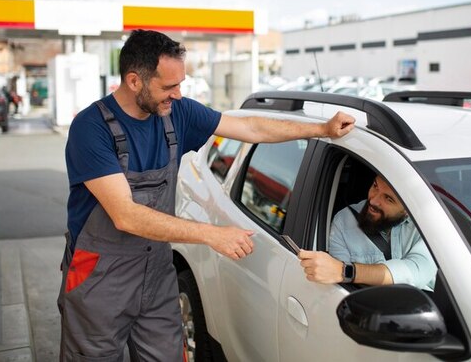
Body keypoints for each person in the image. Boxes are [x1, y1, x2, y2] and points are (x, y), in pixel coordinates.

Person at [58, 29, 355, 361]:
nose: (178, 94)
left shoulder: (176, 113)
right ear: (134, 81)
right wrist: (212, 234)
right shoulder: (91, 128)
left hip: (156, 272)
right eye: (168, 87)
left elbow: (250, 128)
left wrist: (321, 129)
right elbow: (125, 215)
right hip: (98, 276)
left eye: (181, 84)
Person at [298, 175, 436, 290]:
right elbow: (339, 283)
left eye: (388, 199)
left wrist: (347, 271)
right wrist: (342, 272)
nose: (373, 201)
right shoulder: (344, 221)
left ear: (407, 210)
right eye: (375, 186)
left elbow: (417, 270)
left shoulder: (428, 227)